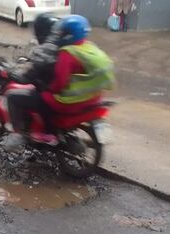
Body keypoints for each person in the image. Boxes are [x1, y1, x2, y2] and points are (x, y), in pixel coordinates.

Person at [14, 15, 115, 145]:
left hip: (72, 101)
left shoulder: (67, 53)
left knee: (42, 95)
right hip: (94, 97)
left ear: (68, 35)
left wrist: (47, 87)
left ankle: (46, 133)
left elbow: (59, 84)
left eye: (62, 32)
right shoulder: (88, 47)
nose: (58, 35)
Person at [6, 13, 61, 140]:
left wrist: (15, 76)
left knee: (12, 96)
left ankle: (17, 135)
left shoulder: (44, 51)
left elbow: (28, 76)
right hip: (56, 88)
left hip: (46, 91)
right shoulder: (59, 46)